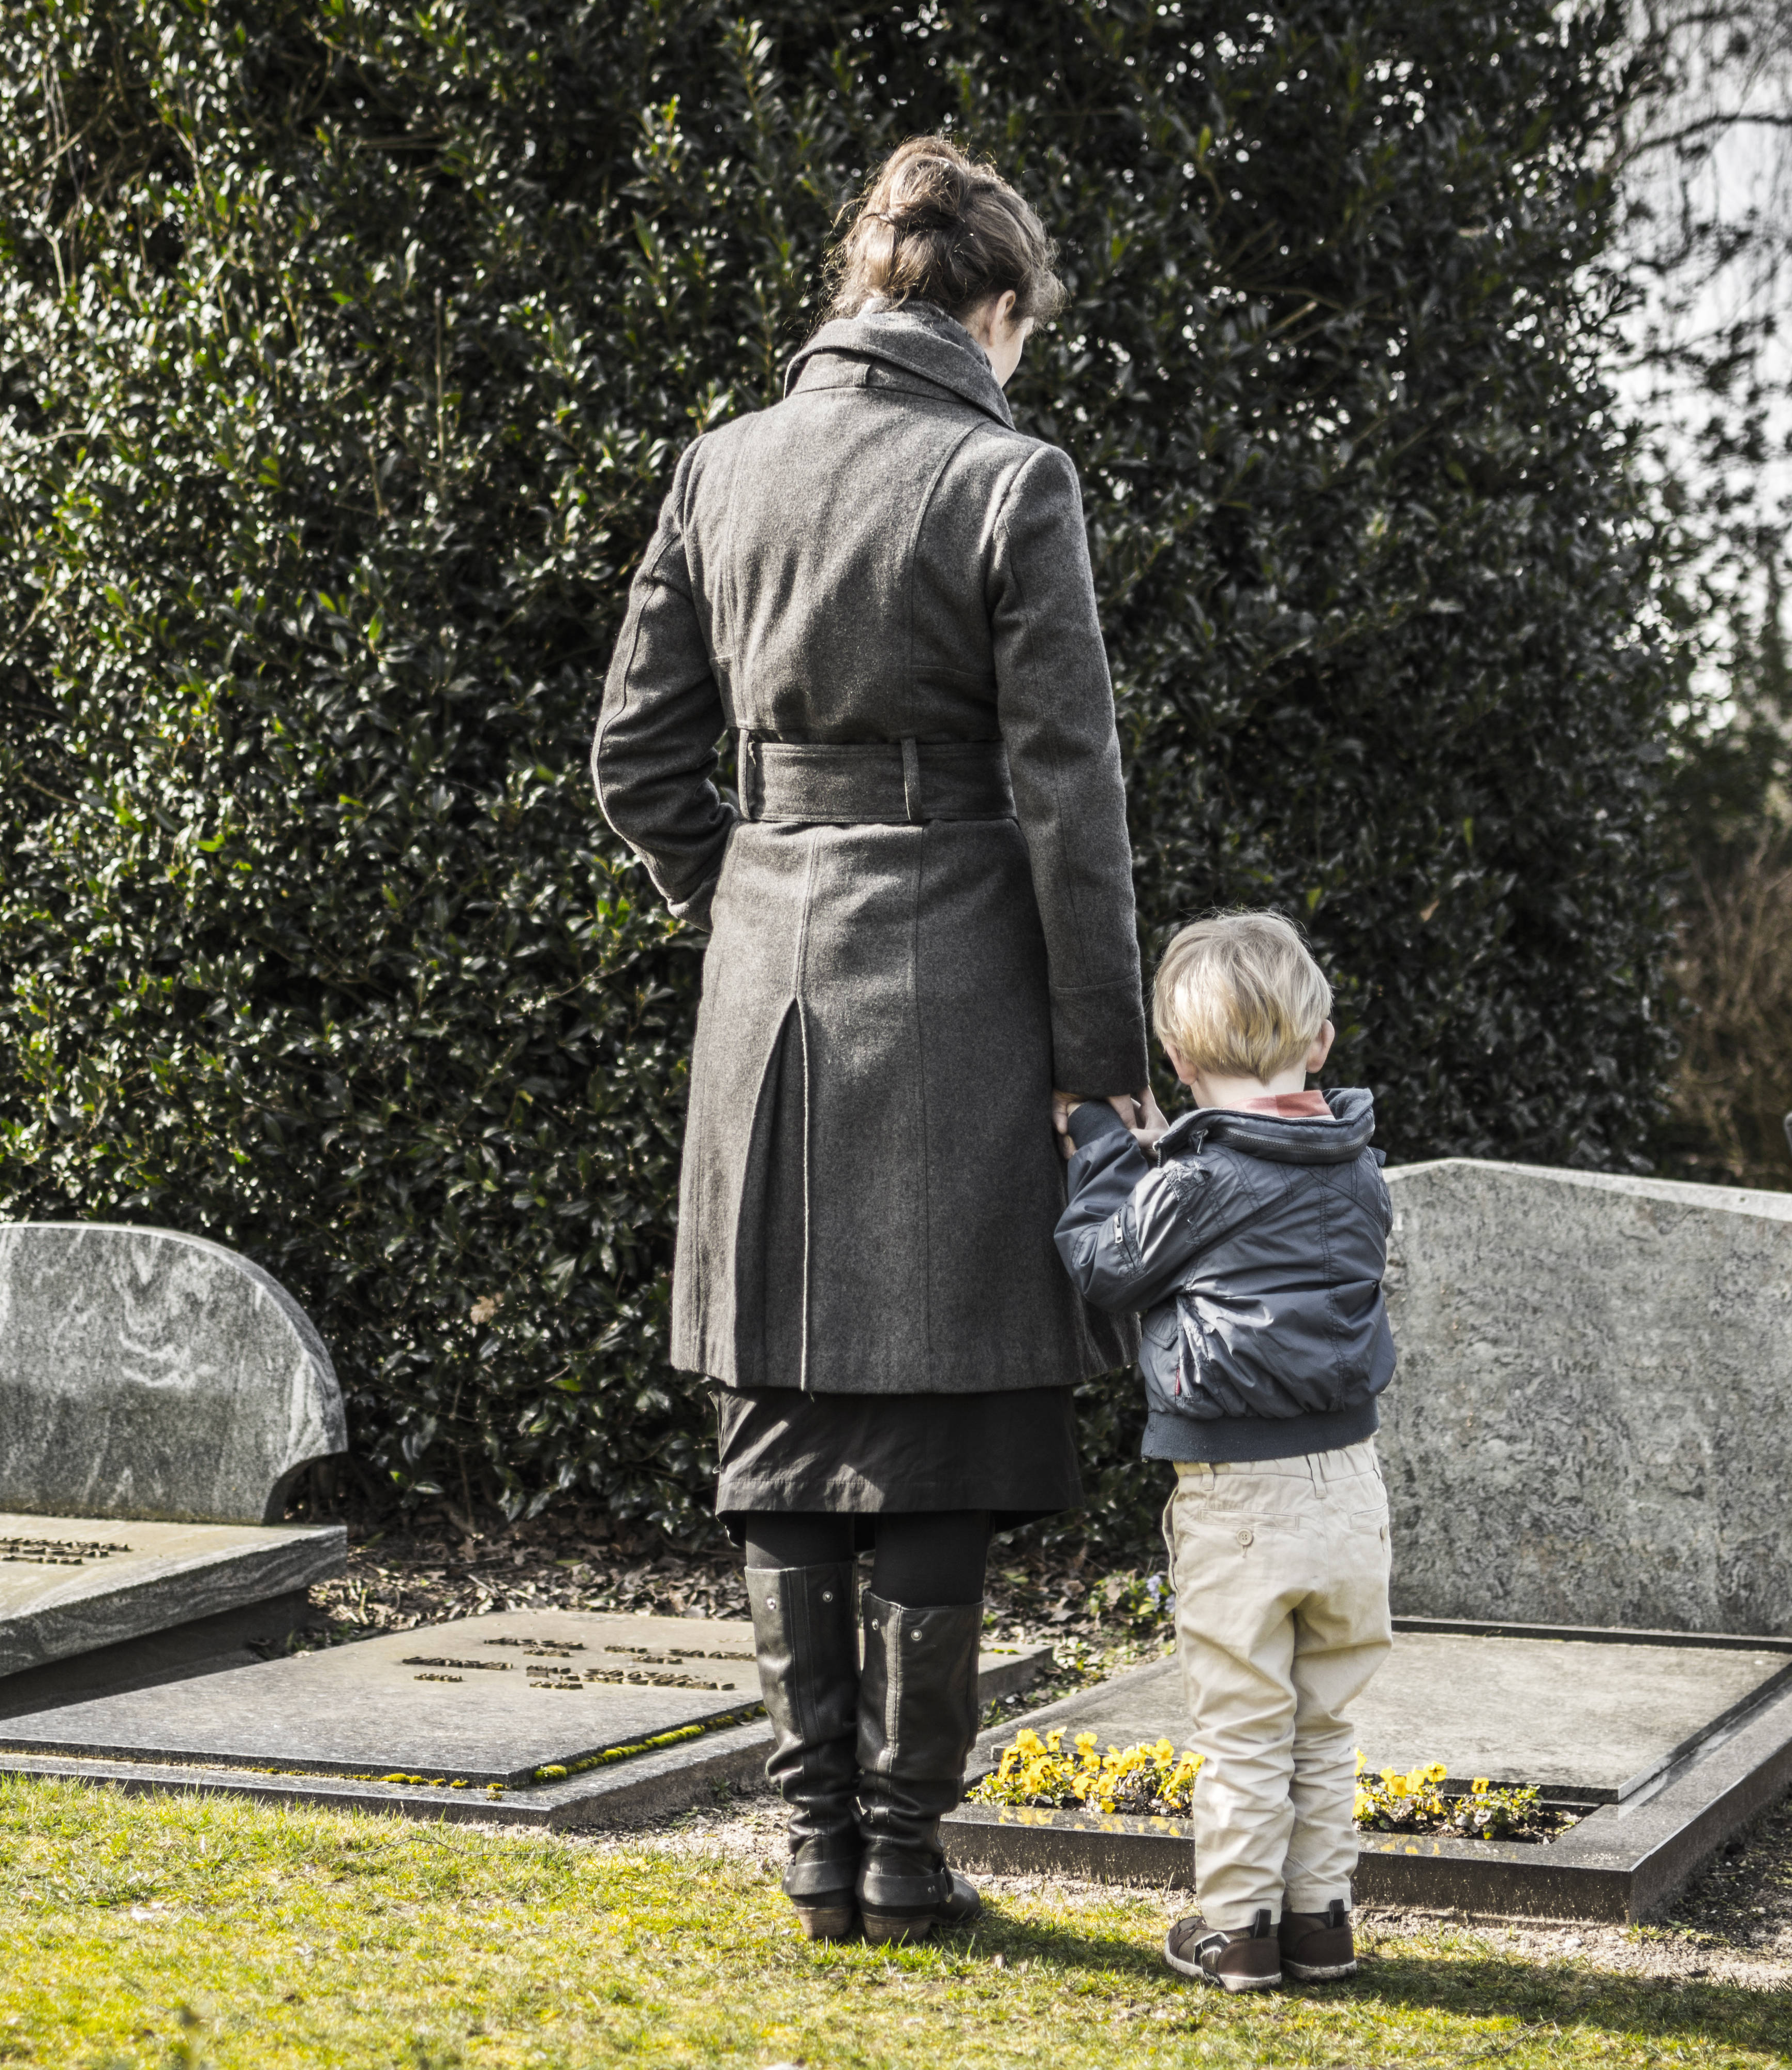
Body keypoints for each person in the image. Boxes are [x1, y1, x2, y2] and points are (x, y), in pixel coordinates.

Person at [592, 134, 1152, 1945]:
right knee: (937, 1430)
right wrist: (1102, 1058)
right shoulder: (1011, 478)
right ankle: (906, 1857)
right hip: (966, 987)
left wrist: (749, 894)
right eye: (1023, 335)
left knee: (789, 1411)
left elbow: (634, 761)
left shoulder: (722, 466)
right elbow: (1071, 797)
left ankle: (819, 1852)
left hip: (768, 988)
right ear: (991, 310)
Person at [1053, 912, 1396, 1991]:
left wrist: (1110, 1150)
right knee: (1325, 1719)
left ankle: (1239, 1924)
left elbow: (1107, 1264)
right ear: (1323, 1042)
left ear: (1180, 1060)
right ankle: (1322, 1918)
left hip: (1238, 1490)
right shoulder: (1359, 1167)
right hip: (1351, 1484)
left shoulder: (1196, 1179)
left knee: (1244, 1719)